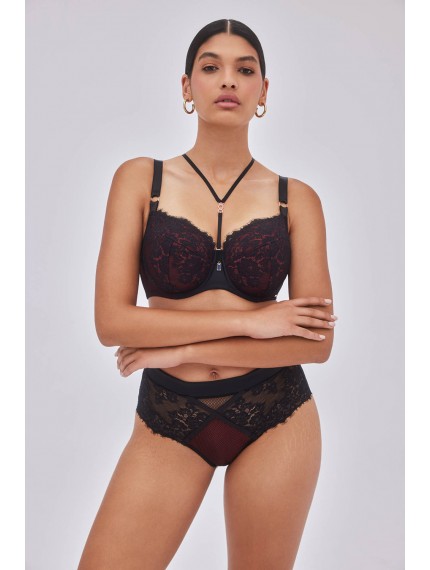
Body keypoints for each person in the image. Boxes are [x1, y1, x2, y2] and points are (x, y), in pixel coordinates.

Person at [78, 18, 337, 570]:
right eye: (211, 67)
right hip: (168, 415)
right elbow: (111, 322)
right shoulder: (139, 180)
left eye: (245, 69)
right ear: (186, 86)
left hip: (277, 412)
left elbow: (315, 344)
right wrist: (253, 321)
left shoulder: (298, 200)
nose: (228, 80)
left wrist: (183, 350)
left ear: (263, 91)